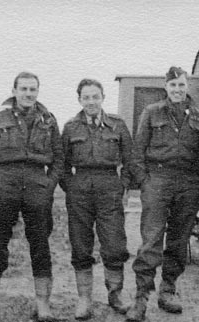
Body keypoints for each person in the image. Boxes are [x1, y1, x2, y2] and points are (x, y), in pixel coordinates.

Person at [0, 71, 64, 322]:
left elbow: (59, 158)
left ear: (37, 91)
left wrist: (49, 185)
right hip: (7, 183)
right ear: (14, 91)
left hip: (37, 184)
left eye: (32, 89)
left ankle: (43, 305)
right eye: (23, 89)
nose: (28, 94)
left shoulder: (48, 118)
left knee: (40, 245)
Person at [125, 66, 199, 322]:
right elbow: (137, 152)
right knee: (151, 240)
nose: (178, 90)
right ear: (166, 87)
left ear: (187, 86)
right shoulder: (151, 113)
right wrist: (145, 183)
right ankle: (141, 298)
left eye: (181, 85)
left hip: (188, 182)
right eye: (173, 86)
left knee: (179, 240)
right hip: (158, 180)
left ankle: (168, 289)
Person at [60, 78, 133, 320]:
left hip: (109, 188)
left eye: (95, 96)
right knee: (81, 245)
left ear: (103, 97)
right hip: (79, 190)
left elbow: (130, 161)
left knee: (114, 244)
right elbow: (61, 164)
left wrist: (122, 185)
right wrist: (71, 187)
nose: (91, 102)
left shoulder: (118, 125)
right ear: (79, 99)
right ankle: (84, 299)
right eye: (86, 97)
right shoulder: (71, 127)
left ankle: (115, 295)